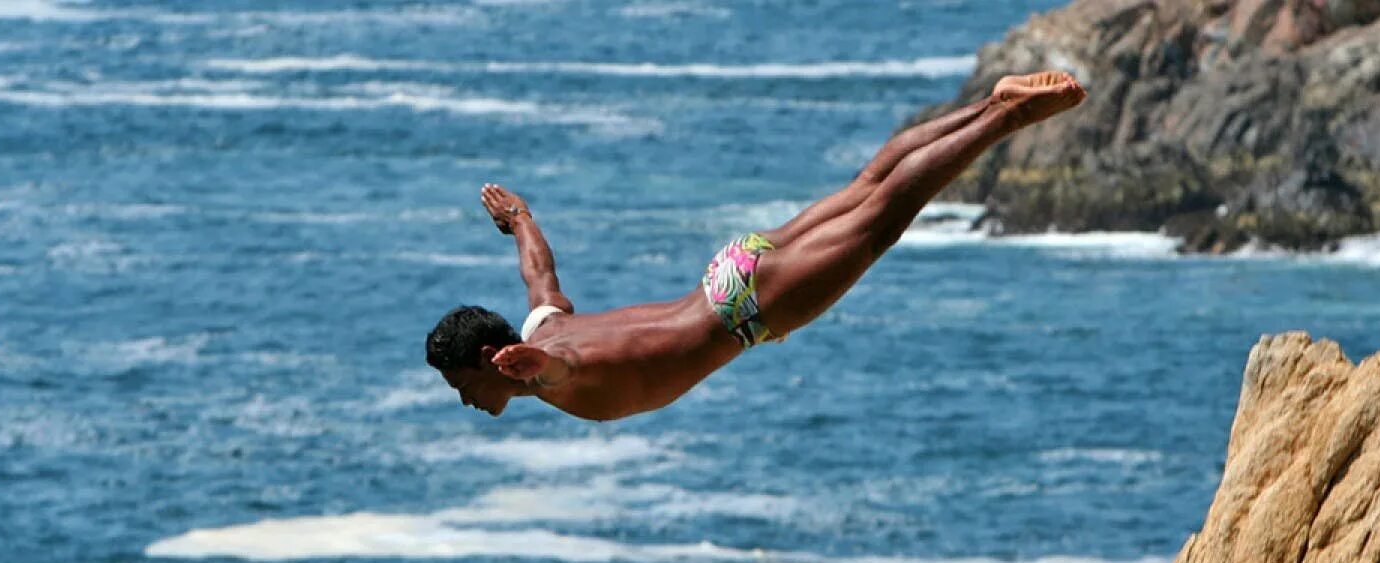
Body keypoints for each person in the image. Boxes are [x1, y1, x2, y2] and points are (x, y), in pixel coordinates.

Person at [425, 72, 1086, 421]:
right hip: (728, 271)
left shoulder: (544, 364)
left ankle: (1008, 115)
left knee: (884, 215)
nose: (465, 400)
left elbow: (561, 368)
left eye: (462, 385)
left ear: (493, 359)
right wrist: (519, 217)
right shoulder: (544, 323)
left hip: (747, 311)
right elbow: (539, 274)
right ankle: (991, 103)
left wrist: (534, 365)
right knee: (868, 188)